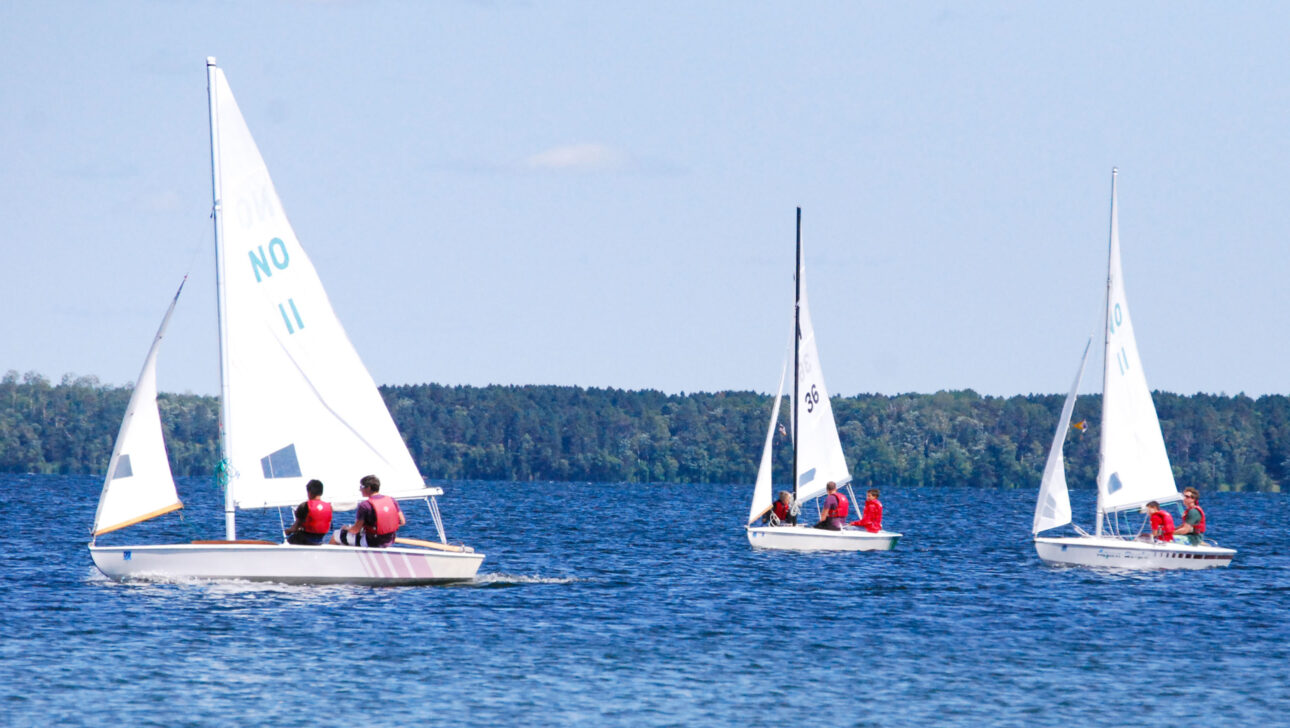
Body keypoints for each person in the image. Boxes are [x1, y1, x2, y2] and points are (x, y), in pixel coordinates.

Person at [331, 474, 405, 548]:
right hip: (389, 540)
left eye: (361, 487)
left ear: (368, 488)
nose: (360, 490)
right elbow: (402, 522)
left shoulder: (365, 505)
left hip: (371, 542)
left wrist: (347, 528)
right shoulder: (391, 500)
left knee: (336, 534)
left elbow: (355, 530)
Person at [283, 479, 331, 545]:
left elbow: (294, 528)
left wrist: (287, 531)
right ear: (321, 492)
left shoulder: (304, 506)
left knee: (290, 540)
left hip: (305, 539)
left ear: (309, 492)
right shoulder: (329, 506)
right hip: (320, 539)